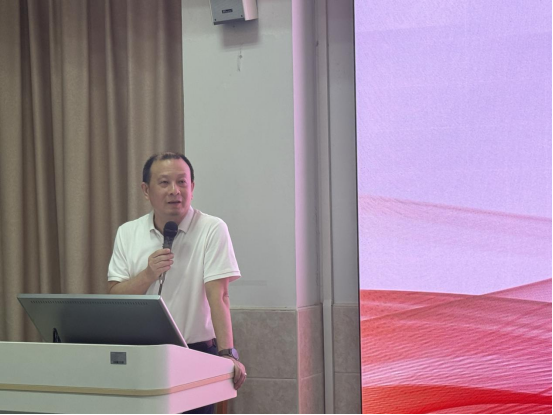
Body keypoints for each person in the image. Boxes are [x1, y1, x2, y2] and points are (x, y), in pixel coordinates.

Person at [107, 152, 246, 414]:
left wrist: (228, 353)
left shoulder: (212, 229)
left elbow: (219, 296)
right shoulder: (127, 233)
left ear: (192, 187)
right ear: (146, 190)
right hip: (141, 356)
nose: (175, 191)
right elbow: (115, 295)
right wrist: (147, 275)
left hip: (195, 353)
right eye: (164, 183)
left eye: (182, 182)